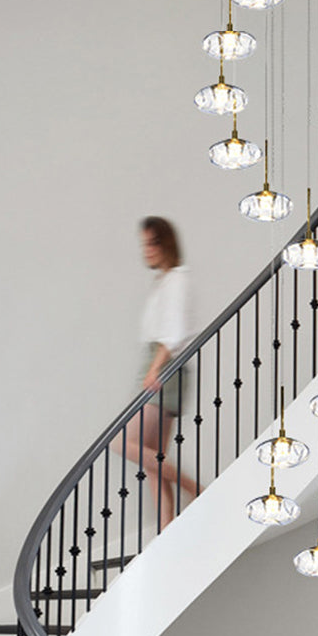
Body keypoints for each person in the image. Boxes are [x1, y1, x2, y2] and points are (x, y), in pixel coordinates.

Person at [113, 216, 198, 532]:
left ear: (167, 244)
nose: (147, 250)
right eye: (144, 244)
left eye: (153, 243)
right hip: (161, 366)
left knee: (122, 442)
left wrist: (153, 368)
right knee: (154, 463)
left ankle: (194, 488)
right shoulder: (165, 281)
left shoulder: (177, 279)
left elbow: (173, 332)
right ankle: (166, 530)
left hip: (164, 368)